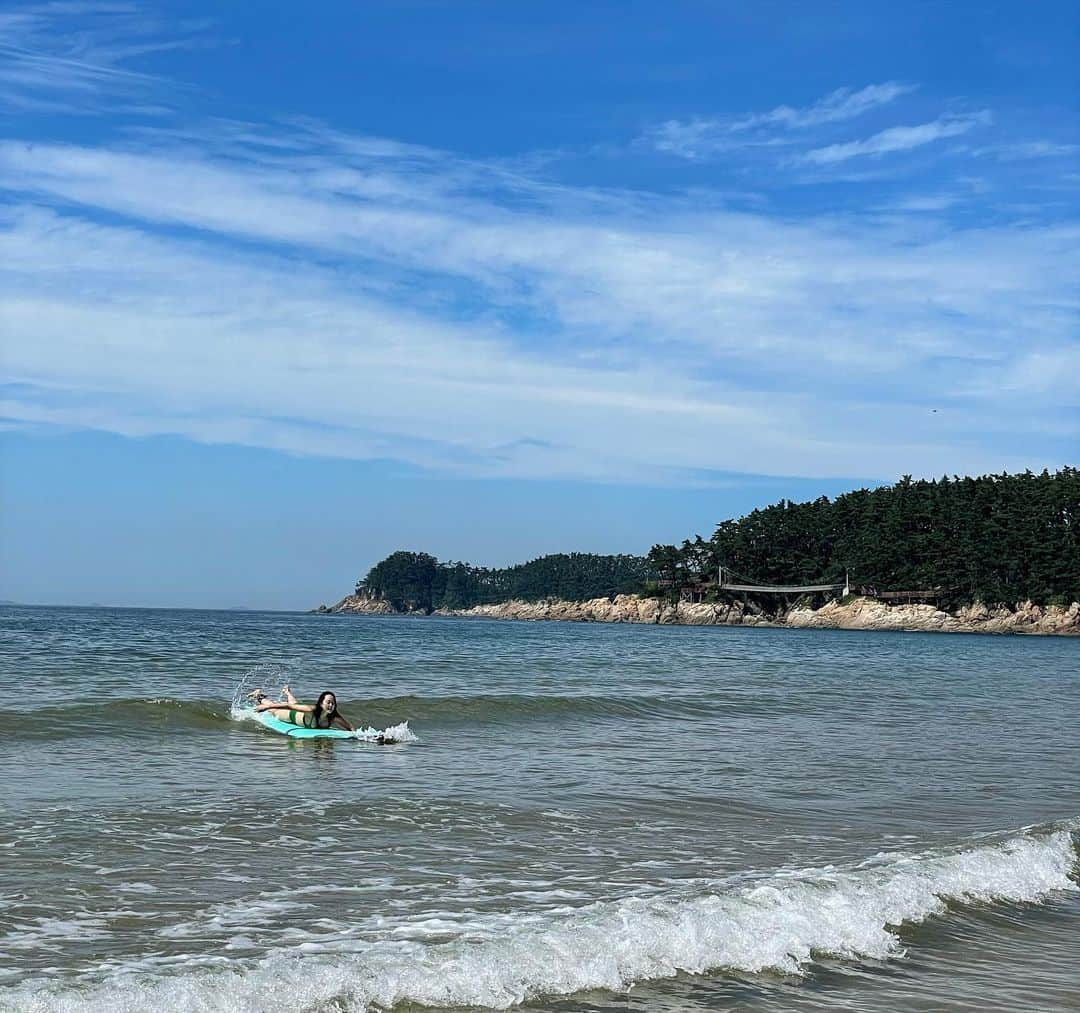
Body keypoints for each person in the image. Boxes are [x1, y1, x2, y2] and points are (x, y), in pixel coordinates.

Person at [249, 684, 355, 732]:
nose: (331, 705)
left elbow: (349, 727)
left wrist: (361, 737)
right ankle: (259, 696)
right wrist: (266, 707)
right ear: (321, 703)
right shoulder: (312, 710)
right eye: (328, 702)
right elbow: (288, 706)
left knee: (296, 703)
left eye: (333, 703)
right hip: (291, 716)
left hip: (299, 712)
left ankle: (287, 692)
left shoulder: (334, 716)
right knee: (275, 711)